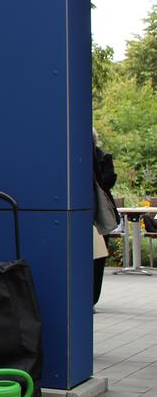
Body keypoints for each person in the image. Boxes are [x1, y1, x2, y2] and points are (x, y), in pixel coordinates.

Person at [92, 129, 117, 306]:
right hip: (89, 211)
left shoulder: (104, 157)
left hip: (97, 213)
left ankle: (93, 297)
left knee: (99, 257)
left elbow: (108, 182)